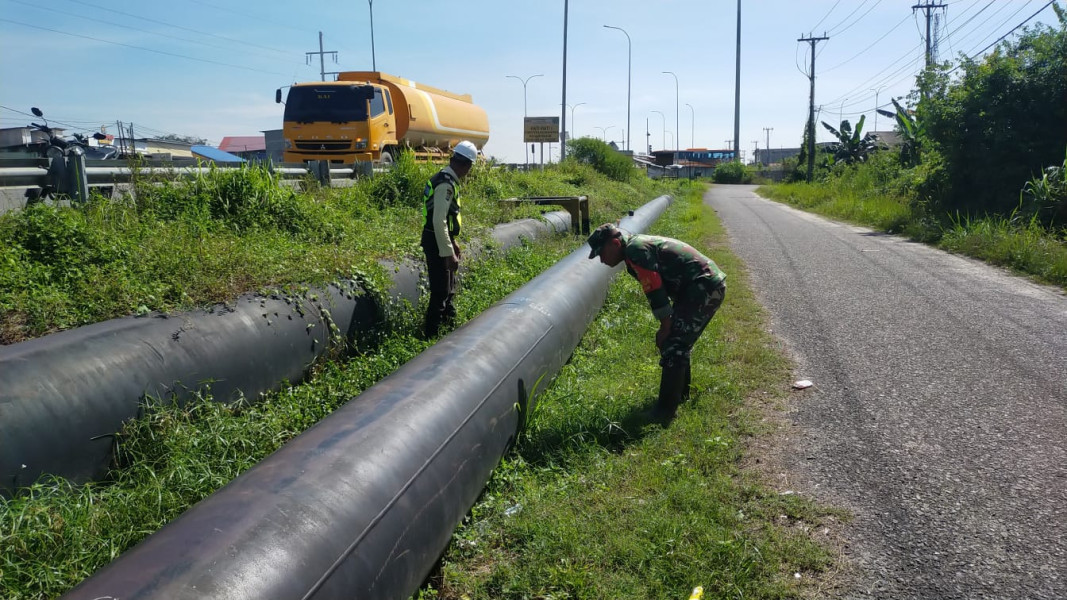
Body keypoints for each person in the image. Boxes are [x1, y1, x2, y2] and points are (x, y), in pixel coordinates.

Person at [587, 222, 727, 421]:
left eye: (601, 253)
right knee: (677, 341)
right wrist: (668, 324)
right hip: (697, 287)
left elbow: (655, 289)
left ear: (616, 244)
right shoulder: (634, 248)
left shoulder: (635, 250)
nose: (601, 260)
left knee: (673, 343)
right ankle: (680, 396)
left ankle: (664, 413)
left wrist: (666, 326)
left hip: (703, 286)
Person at [422, 140, 478, 338]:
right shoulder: (445, 184)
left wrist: (453, 242)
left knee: (448, 288)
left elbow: (446, 217)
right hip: (436, 241)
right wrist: (448, 253)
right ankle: (431, 337)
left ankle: (448, 329)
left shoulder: (447, 179)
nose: (468, 171)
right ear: (466, 165)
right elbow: (439, 221)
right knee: (440, 291)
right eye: (470, 167)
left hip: (441, 239)